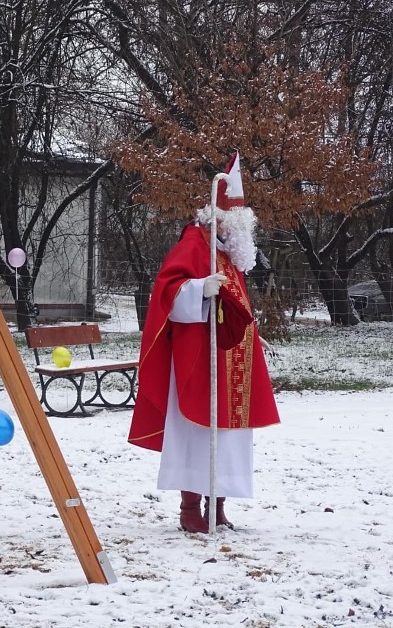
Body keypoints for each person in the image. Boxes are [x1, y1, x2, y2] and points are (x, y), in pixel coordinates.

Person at [128, 153, 280, 533]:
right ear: (219, 220)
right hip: (200, 360)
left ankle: (219, 504)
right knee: (196, 433)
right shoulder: (195, 244)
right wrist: (198, 288)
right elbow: (166, 293)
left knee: (229, 438)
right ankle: (190, 508)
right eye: (235, 226)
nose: (239, 235)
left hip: (233, 362)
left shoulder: (229, 254)